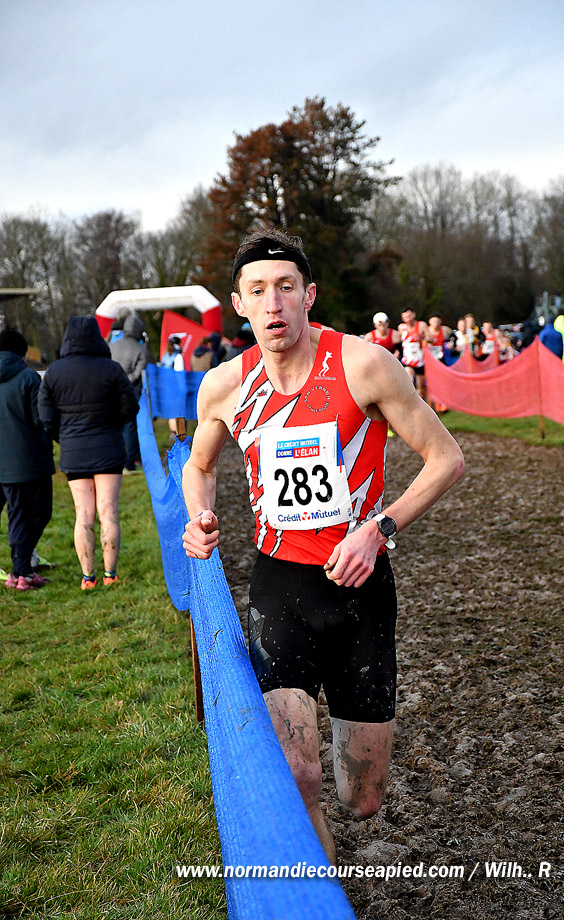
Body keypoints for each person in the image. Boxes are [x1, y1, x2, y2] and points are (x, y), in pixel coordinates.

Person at [181, 228, 464, 863]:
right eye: (258, 290)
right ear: (239, 304)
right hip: (281, 587)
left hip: (362, 590)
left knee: (362, 797)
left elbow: (446, 458)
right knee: (296, 776)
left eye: (285, 287)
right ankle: (319, 894)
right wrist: (199, 516)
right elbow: (199, 466)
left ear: (309, 295)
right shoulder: (224, 386)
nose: (273, 303)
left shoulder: (365, 365)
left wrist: (379, 529)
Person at [38, 316, 139, 589]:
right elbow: (130, 406)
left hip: (74, 451)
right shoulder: (111, 369)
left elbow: (45, 416)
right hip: (109, 448)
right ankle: (110, 574)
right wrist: (113, 426)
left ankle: (88, 577)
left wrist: (64, 437)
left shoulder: (54, 372)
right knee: (108, 511)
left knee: (83, 514)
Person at [0, 329, 55, 590]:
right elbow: (40, 419)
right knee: (39, 512)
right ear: (21, 353)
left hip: (4, 463)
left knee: (17, 514)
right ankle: (22, 571)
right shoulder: (28, 378)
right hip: (31, 461)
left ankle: (21, 569)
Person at [109, 313, 150, 471]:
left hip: (111, 390)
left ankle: (116, 460)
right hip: (130, 392)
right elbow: (138, 373)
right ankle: (130, 462)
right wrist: (124, 381)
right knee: (130, 426)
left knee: (114, 426)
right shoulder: (141, 350)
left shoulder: (112, 345)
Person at [398, 307, 427, 399]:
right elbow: (399, 342)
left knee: (421, 387)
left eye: (409, 315)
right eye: (405, 317)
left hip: (420, 360)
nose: (408, 318)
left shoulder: (421, 325)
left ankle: (423, 403)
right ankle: (411, 402)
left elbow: (430, 338)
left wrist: (421, 338)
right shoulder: (401, 327)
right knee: (409, 380)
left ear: (414, 314)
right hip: (408, 360)